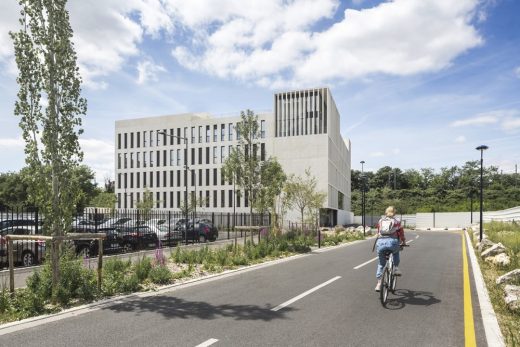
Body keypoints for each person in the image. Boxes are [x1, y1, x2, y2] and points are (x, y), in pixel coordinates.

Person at [374, 206, 405, 292]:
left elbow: (378, 232)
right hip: (392, 243)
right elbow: (401, 233)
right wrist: (403, 242)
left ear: (386, 212)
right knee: (395, 252)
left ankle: (379, 284)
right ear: (394, 213)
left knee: (381, 264)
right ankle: (395, 268)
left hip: (380, 243)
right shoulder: (397, 221)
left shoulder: (381, 221)